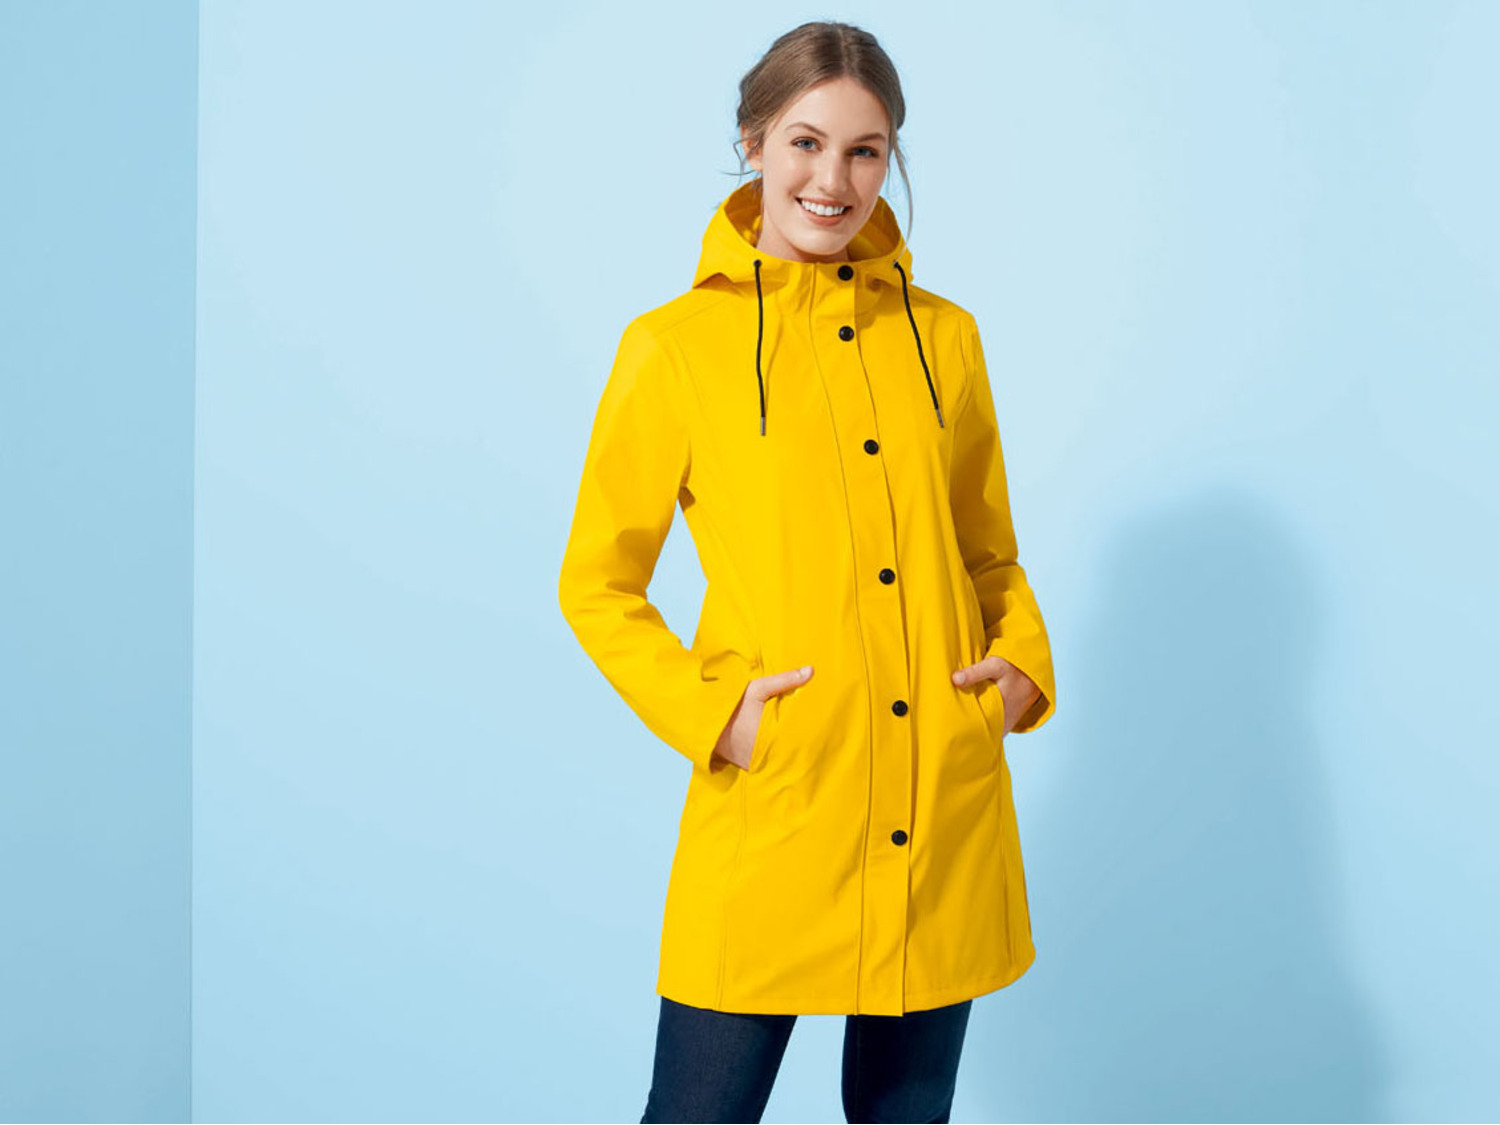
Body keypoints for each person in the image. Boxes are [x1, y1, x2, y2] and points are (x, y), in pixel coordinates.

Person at [557, 20, 1057, 1124]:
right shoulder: (673, 348)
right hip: (784, 796)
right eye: (805, 142)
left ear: (891, 160)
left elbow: (986, 547)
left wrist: (1019, 667)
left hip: (937, 799)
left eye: (865, 151)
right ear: (753, 143)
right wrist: (718, 716)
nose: (834, 181)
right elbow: (596, 582)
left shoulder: (946, 337)